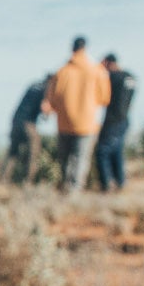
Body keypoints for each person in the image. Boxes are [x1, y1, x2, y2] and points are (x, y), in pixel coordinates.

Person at [41, 36, 108, 191]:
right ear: (85, 48)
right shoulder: (97, 70)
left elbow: (51, 100)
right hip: (87, 123)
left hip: (64, 123)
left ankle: (65, 187)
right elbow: (104, 98)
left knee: (64, 159)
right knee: (80, 159)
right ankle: (74, 192)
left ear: (72, 48)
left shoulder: (62, 71)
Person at [96, 52, 137, 192]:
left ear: (108, 63)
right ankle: (120, 182)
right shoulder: (130, 77)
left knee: (102, 152)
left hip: (113, 120)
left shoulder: (112, 78)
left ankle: (106, 185)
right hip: (124, 120)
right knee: (117, 151)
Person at [6, 73, 51, 184]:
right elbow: (45, 111)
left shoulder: (33, 86)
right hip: (28, 123)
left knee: (13, 151)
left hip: (16, 119)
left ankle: (4, 178)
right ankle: (28, 180)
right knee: (34, 150)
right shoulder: (45, 90)